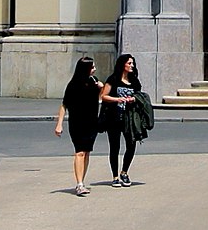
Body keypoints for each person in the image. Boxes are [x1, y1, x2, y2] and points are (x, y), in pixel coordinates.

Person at [55, 55, 102, 196]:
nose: (94, 69)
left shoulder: (94, 81)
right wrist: (59, 124)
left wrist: (101, 88)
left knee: (87, 152)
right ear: (85, 68)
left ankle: (82, 181)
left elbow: (98, 99)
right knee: (79, 151)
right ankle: (79, 184)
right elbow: (64, 105)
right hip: (77, 122)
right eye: (92, 67)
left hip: (92, 121)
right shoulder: (73, 85)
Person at [98, 52, 143, 186]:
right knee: (115, 147)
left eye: (132, 63)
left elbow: (139, 96)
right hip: (114, 117)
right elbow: (103, 96)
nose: (132, 66)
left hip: (129, 118)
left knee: (131, 144)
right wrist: (117, 99)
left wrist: (133, 99)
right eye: (129, 63)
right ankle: (115, 176)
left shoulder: (134, 81)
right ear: (122, 64)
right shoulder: (113, 79)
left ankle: (124, 172)